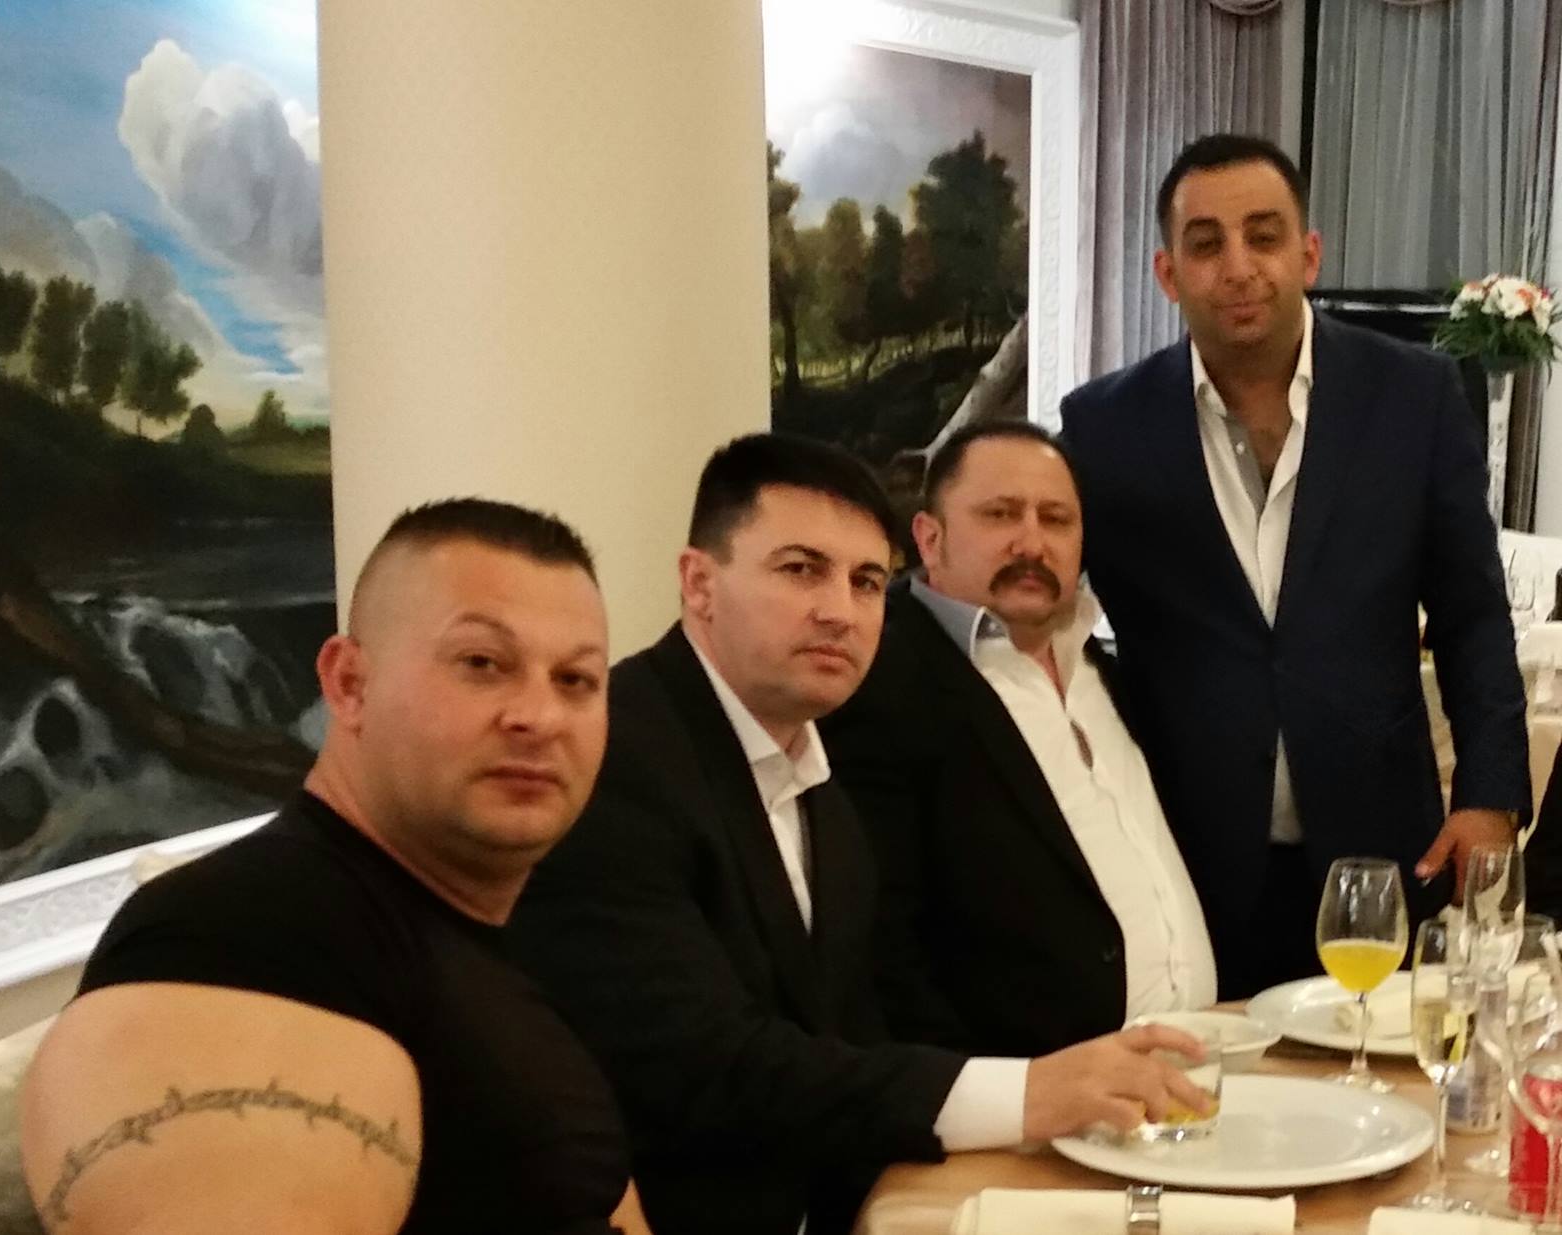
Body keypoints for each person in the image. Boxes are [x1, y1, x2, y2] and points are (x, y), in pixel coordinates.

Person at [505, 434, 1211, 1235]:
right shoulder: (615, 755)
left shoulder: (812, 769)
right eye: (800, 569)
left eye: (867, 581)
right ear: (699, 583)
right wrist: (1027, 1093)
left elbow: (851, 1039)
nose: (840, 611)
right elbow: (706, 1067)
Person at [18, 499, 652, 1235]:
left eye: (576, 680)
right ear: (350, 683)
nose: (539, 717)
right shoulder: (239, 937)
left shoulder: (485, 918)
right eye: (483, 664)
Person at [1059, 133, 1530, 1000]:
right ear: (1168, 273)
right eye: (1206, 243)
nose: (1238, 266)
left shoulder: (1415, 398)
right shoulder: (1104, 428)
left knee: (1383, 1071)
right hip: (1184, 862)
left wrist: (1489, 795)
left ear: (1308, 254)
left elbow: (1472, 614)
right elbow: (1052, 621)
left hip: (1380, 854)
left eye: (1264, 235)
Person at [821, 421, 1215, 1059]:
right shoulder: (879, 684)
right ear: (930, 538)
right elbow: (879, 945)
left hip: (1200, 1063)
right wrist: (997, 1098)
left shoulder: (1103, 669)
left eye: (1056, 519)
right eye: (1000, 514)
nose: (1032, 542)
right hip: (1038, 1098)